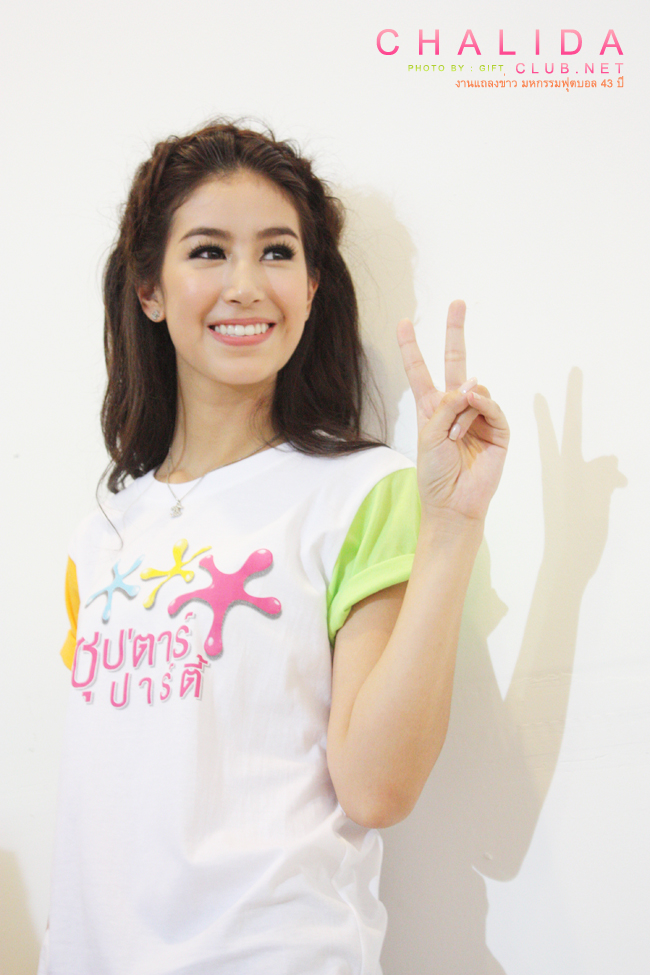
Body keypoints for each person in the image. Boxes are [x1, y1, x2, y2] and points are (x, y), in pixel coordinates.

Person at [39, 121, 509, 975]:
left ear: (313, 284)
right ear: (150, 288)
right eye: (208, 252)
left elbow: (377, 787)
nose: (247, 286)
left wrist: (450, 529)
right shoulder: (101, 532)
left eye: (278, 252)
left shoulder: (359, 491)